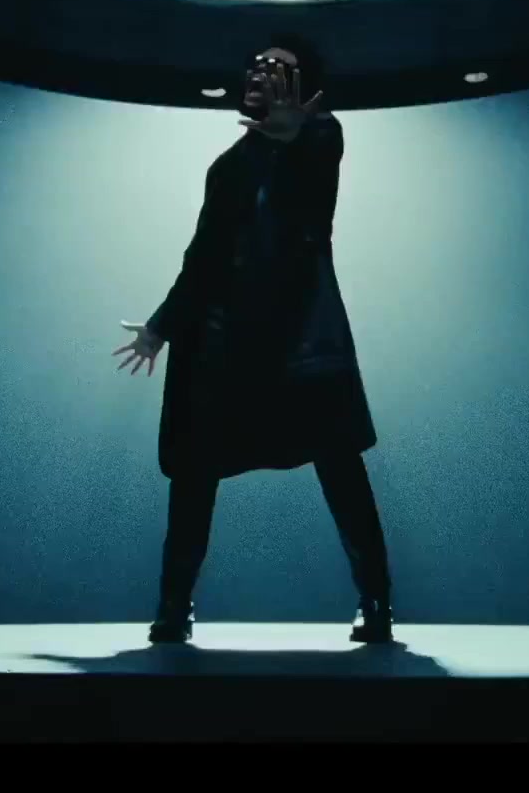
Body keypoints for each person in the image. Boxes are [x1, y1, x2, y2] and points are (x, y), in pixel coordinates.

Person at [112, 34, 394, 646]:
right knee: (195, 474)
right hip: (223, 346)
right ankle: (173, 605)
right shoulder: (229, 165)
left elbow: (310, 200)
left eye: (279, 68)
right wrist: (161, 328)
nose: (262, 74)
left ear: (304, 88)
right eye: (257, 66)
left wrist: (291, 139)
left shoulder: (321, 136)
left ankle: (377, 602)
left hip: (301, 340)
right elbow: (204, 258)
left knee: (339, 464)